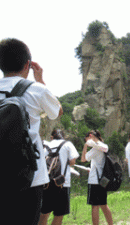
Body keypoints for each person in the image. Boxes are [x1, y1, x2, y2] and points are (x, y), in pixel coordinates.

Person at [0, 38, 63, 225]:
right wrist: (41, 80)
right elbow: (57, 111)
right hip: (29, 178)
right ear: (28, 64)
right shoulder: (36, 90)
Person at [39, 129, 79, 225]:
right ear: (63, 136)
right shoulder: (67, 144)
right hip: (62, 182)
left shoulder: (45, 144)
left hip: (46, 182)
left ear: (52, 137)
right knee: (59, 214)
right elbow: (73, 161)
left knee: (44, 212)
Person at [81, 130, 113, 225]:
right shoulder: (102, 146)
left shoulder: (96, 148)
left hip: (95, 180)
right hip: (103, 179)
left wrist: (85, 146)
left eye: (87, 140)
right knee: (103, 204)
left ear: (90, 136)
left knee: (95, 206)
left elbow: (83, 159)